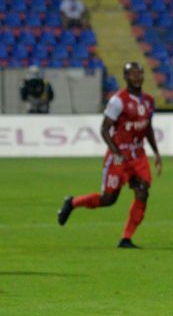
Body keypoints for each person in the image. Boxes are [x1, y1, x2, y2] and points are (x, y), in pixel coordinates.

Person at [57, 62, 162, 249]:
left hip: (138, 155)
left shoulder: (149, 101)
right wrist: (116, 152)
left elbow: (148, 128)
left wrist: (157, 153)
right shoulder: (118, 101)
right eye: (132, 74)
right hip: (119, 155)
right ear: (126, 77)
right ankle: (72, 203)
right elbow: (104, 129)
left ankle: (126, 238)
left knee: (143, 191)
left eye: (140, 73)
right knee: (108, 199)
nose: (137, 77)